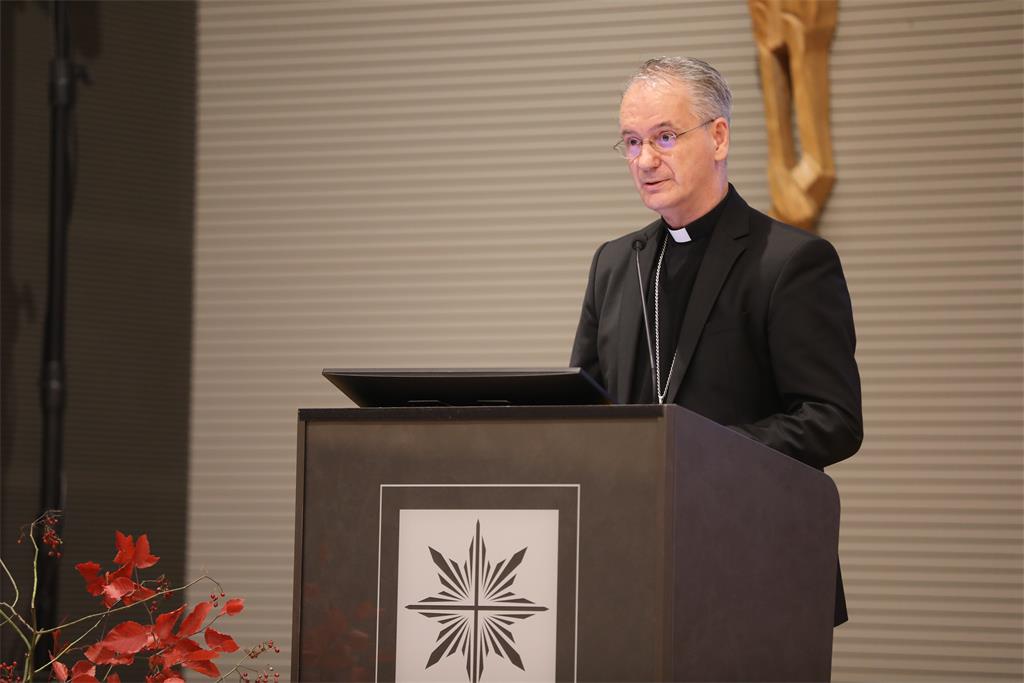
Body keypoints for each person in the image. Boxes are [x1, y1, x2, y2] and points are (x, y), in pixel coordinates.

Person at [570, 56, 862, 625]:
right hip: (633, 561)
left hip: (756, 561)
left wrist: (698, 453)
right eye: (631, 142)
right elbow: (586, 406)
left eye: (664, 137)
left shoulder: (790, 262)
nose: (645, 160)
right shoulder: (614, 264)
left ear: (719, 137)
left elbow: (833, 420)